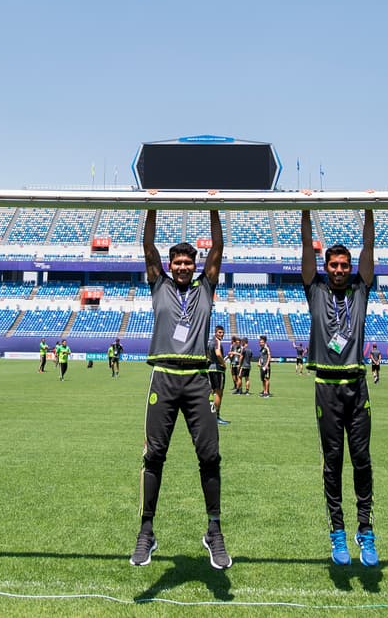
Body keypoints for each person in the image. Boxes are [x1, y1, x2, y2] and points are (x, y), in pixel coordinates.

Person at [131, 207, 231, 571]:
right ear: (171, 266)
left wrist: (214, 208)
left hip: (197, 379)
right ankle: (146, 531)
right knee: (154, 455)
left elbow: (219, 246)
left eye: (190, 262)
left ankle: (214, 531)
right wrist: (152, 208)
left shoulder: (206, 287)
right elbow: (148, 246)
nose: (184, 267)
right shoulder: (158, 285)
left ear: (196, 265)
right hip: (164, 376)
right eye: (179, 263)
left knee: (210, 455)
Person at [300, 207, 378, 567]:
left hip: (356, 386)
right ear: (326, 268)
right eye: (333, 265)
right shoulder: (314, 291)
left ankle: (366, 529)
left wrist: (369, 213)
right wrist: (303, 212)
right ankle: (337, 531)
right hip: (327, 389)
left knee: (361, 459)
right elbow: (305, 249)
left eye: (344, 265)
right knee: (333, 463)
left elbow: (368, 249)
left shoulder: (361, 291)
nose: (339, 270)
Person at [208, 325, 230, 425]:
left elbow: (208, 355)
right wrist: (223, 364)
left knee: (212, 392)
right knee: (218, 393)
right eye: (220, 332)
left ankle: (209, 415)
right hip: (217, 370)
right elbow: (218, 354)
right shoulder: (217, 341)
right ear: (216, 332)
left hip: (210, 369)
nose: (222, 334)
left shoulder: (210, 342)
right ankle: (216, 416)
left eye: (222, 332)